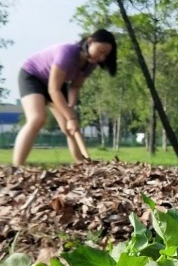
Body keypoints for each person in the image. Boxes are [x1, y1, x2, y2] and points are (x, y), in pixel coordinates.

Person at [13, 29, 118, 166]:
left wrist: (70, 110)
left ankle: (82, 164)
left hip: (56, 84)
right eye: (101, 51)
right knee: (37, 119)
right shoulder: (66, 53)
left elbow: (75, 87)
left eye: (105, 55)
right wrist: (71, 117)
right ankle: (17, 167)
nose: (102, 58)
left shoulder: (90, 65)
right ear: (90, 41)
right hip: (33, 77)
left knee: (70, 129)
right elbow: (53, 89)